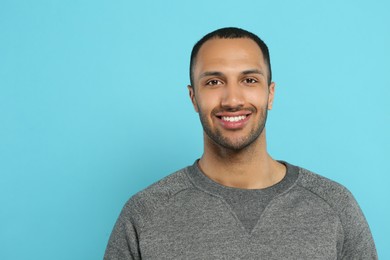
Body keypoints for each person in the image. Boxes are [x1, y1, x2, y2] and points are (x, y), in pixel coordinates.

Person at [104, 27, 377, 259]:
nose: (232, 99)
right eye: (213, 81)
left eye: (249, 80)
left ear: (270, 94)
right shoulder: (145, 213)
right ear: (193, 98)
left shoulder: (334, 205)